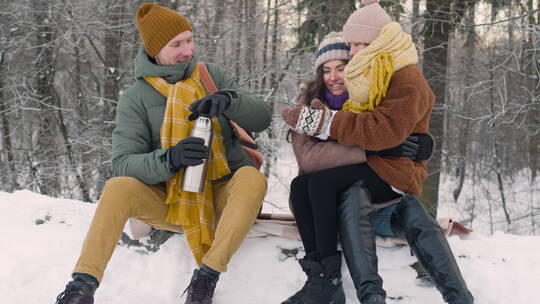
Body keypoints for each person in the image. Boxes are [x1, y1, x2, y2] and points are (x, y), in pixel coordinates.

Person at [54, 3, 270, 304]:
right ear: (156, 51)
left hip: (223, 192)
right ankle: (82, 286)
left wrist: (228, 100)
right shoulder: (136, 98)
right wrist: (170, 159)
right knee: (118, 187)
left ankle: (206, 277)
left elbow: (263, 117)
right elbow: (122, 162)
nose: (187, 50)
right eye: (176, 44)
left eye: (189, 40)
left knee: (250, 178)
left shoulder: (211, 76)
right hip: (170, 199)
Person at [281, 1, 474, 303]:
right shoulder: (319, 95)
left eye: (343, 65)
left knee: (322, 185)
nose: (335, 76)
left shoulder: (383, 78)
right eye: (327, 69)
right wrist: (348, 136)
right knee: (303, 185)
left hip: (389, 173)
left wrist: (419, 145)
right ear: (318, 73)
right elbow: (373, 136)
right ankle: (323, 281)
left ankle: (330, 284)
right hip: (376, 167)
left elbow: (386, 127)